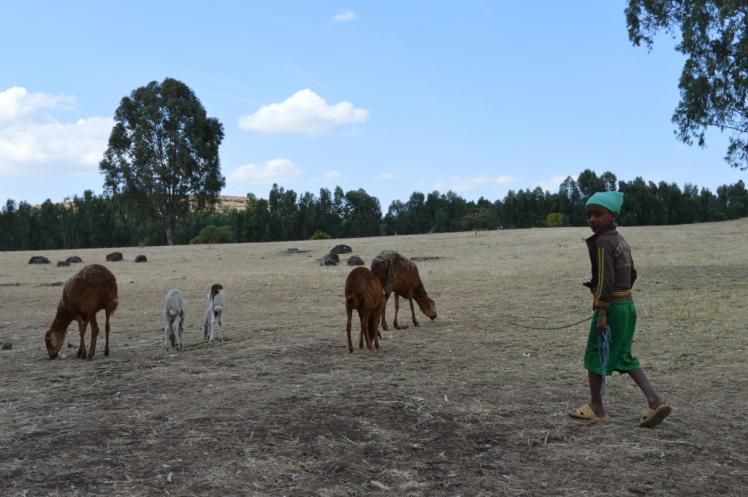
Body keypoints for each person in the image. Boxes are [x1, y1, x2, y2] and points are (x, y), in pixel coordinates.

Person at [570, 191, 671, 427]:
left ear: (613, 215)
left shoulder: (604, 242)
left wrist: (603, 309)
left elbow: (606, 278)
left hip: (612, 307)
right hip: (627, 305)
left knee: (596, 355)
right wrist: (621, 297)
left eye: (598, 214)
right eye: (589, 215)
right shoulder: (620, 240)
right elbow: (632, 273)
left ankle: (597, 408)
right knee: (623, 355)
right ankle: (655, 401)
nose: (592, 220)